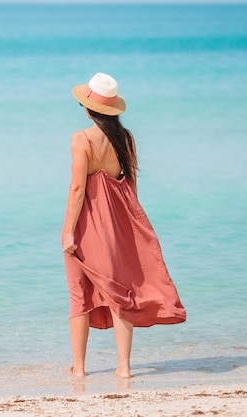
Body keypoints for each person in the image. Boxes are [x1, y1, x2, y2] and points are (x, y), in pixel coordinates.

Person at [61, 72, 186, 379]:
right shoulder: (125, 139)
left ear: (88, 108)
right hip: (118, 227)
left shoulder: (82, 139)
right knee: (119, 294)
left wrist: (67, 230)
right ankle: (124, 367)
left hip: (88, 227)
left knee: (80, 294)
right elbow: (130, 189)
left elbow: (78, 189)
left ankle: (79, 368)